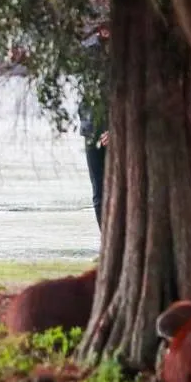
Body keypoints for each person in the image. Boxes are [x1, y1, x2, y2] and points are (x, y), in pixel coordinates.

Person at [77, 24, 110, 233]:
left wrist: (114, 128)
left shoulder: (127, 55)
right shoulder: (89, 55)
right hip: (92, 131)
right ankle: (107, 240)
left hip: (115, 132)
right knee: (99, 191)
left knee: (119, 190)